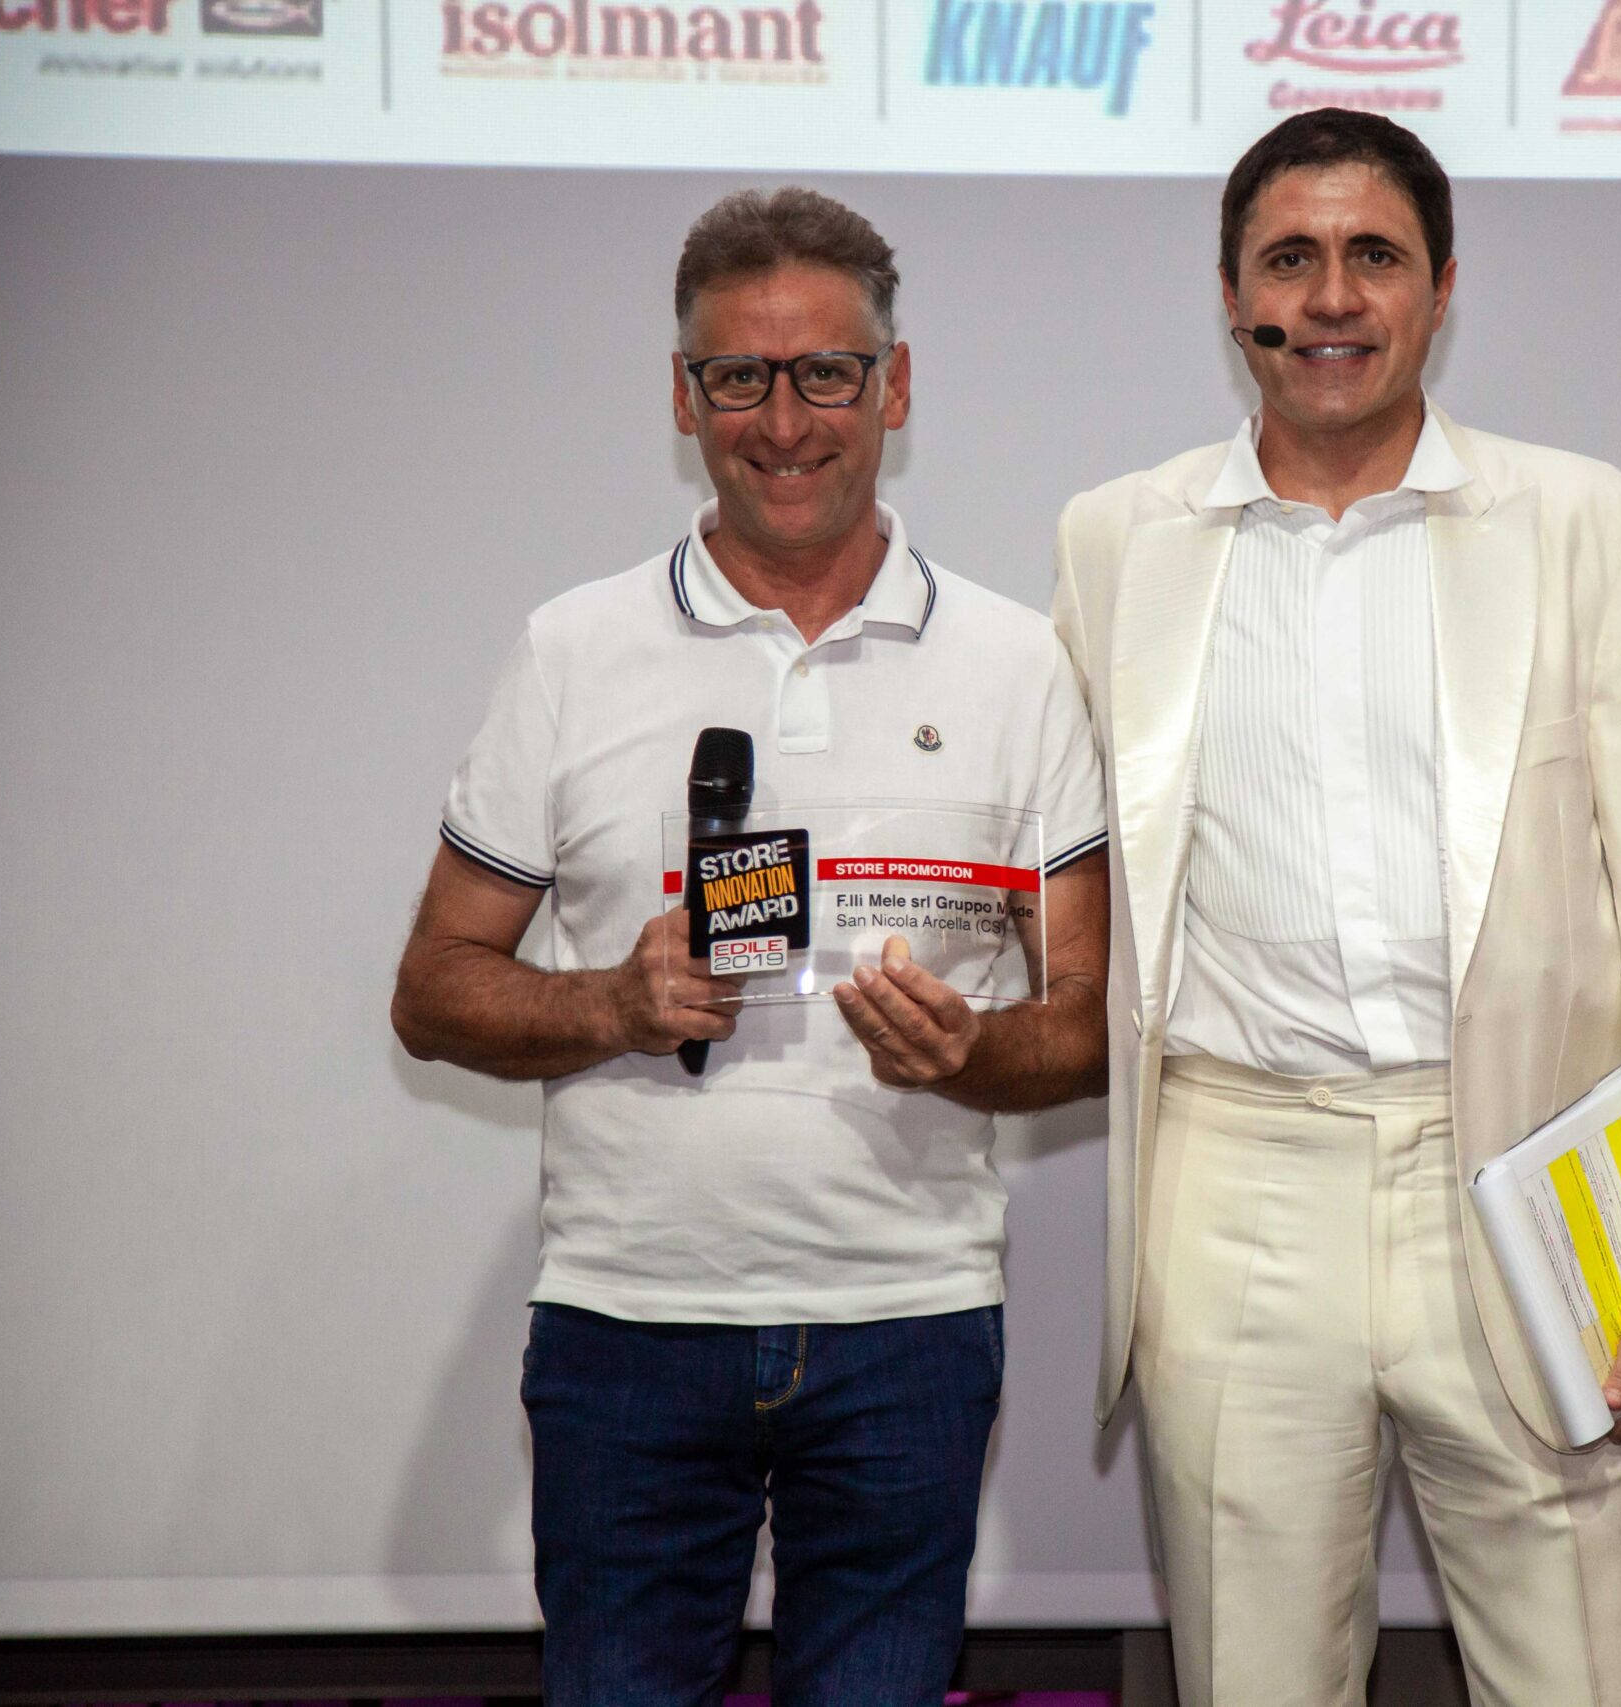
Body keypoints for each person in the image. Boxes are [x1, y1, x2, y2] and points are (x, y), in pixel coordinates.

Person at [1049, 111, 1621, 1706]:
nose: (1330, 297)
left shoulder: (1590, 526)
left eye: (1373, 255)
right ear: (1231, 294)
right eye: (1288, 260)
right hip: (1233, 1185)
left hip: (1520, 1177)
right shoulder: (1116, 542)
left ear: (1442, 289)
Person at [390, 187, 1110, 1707]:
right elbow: (434, 990)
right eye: (740, 378)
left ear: (894, 388)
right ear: (685, 397)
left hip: (907, 1328)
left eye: (826, 373)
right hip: (630, 1328)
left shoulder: (1017, 664)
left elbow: (1093, 1018)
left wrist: (976, 1051)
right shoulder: (574, 650)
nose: (784, 423)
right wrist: (613, 1000)